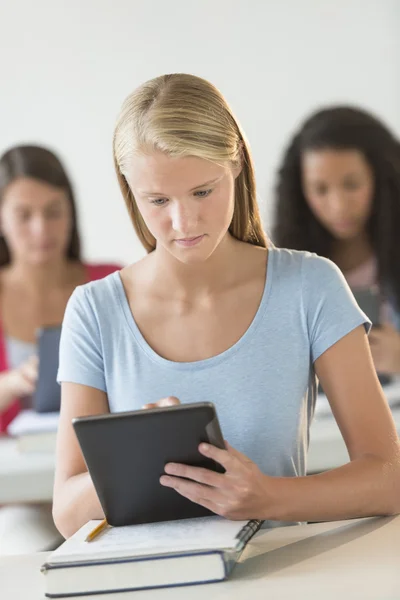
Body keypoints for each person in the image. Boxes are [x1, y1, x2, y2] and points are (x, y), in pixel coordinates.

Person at [53, 75, 400, 540]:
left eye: (202, 191)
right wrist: (145, 459)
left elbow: (388, 478)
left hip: (279, 574)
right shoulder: (94, 310)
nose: (183, 222)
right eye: (157, 200)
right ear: (129, 190)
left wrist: (267, 497)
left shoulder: (310, 286)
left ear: (235, 162)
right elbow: (67, 510)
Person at [0, 144, 121, 553]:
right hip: (18, 500)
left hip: (103, 484)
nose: (41, 229)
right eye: (24, 215)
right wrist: (12, 384)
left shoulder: (112, 283)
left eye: (54, 212)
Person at [274, 106, 400, 376]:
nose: (338, 206)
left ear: (382, 179)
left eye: (352, 185)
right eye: (320, 189)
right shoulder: (278, 267)